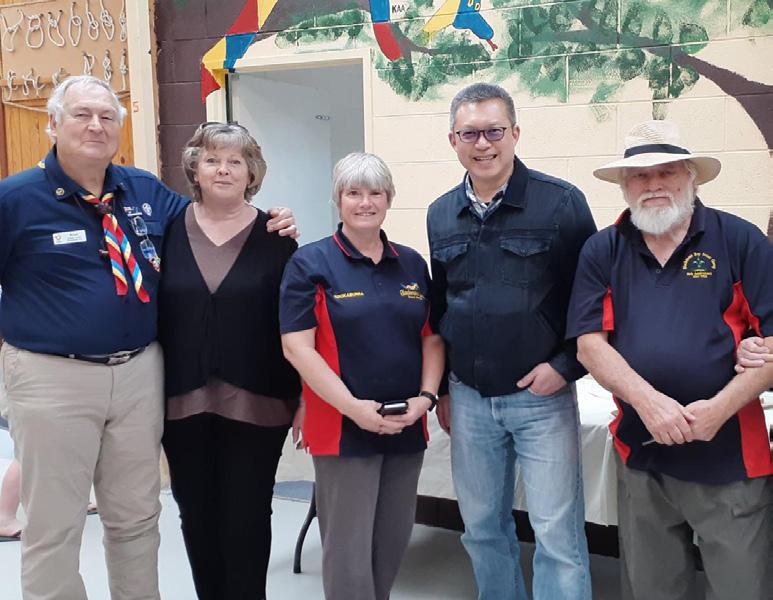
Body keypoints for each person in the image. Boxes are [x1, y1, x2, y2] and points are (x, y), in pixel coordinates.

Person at [0, 75, 296, 600]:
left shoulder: (142, 191)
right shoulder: (14, 199)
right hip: (54, 376)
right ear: (52, 124)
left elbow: (214, 218)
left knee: (136, 516)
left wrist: (275, 220)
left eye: (107, 116)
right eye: (82, 114)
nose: (96, 125)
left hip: (140, 374)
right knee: (55, 525)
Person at [567, 120, 773, 600]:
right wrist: (651, 405)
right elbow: (589, 344)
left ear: (691, 178)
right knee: (652, 589)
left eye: (667, 172)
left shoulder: (740, 241)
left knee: (742, 588)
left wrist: (718, 410)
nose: (654, 184)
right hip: (643, 455)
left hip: (730, 458)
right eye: (640, 175)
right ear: (624, 186)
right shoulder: (603, 249)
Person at [426, 83, 595, 600]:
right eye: (470, 133)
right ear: (453, 140)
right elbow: (441, 306)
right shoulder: (440, 213)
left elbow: (591, 299)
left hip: (541, 398)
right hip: (469, 399)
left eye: (494, 131)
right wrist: (445, 389)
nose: (483, 144)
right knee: (481, 529)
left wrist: (565, 367)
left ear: (515, 133)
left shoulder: (561, 203)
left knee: (556, 534)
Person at [280, 152, 445, 600]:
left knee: (392, 539)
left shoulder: (412, 264)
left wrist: (426, 398)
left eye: (375, 192)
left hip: (405, 423)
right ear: (338, 200)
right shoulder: (310, 263)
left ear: (389, 198)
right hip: (341, 427)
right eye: (353, 193)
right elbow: (297, 347)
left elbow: (431, 338)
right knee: (348, 551)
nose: (365, 202)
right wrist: (354, 408)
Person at [158, 122, 302, 600]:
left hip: (260, 402)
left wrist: (305, 395)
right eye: (212, 159)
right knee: (196, 515)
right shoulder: (165, 231)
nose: (223, 169)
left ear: (251, 173)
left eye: (235, 161)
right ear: (195, 169)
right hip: (181, 403)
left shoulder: (278, 236)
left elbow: (297, 324)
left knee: (247, 516)